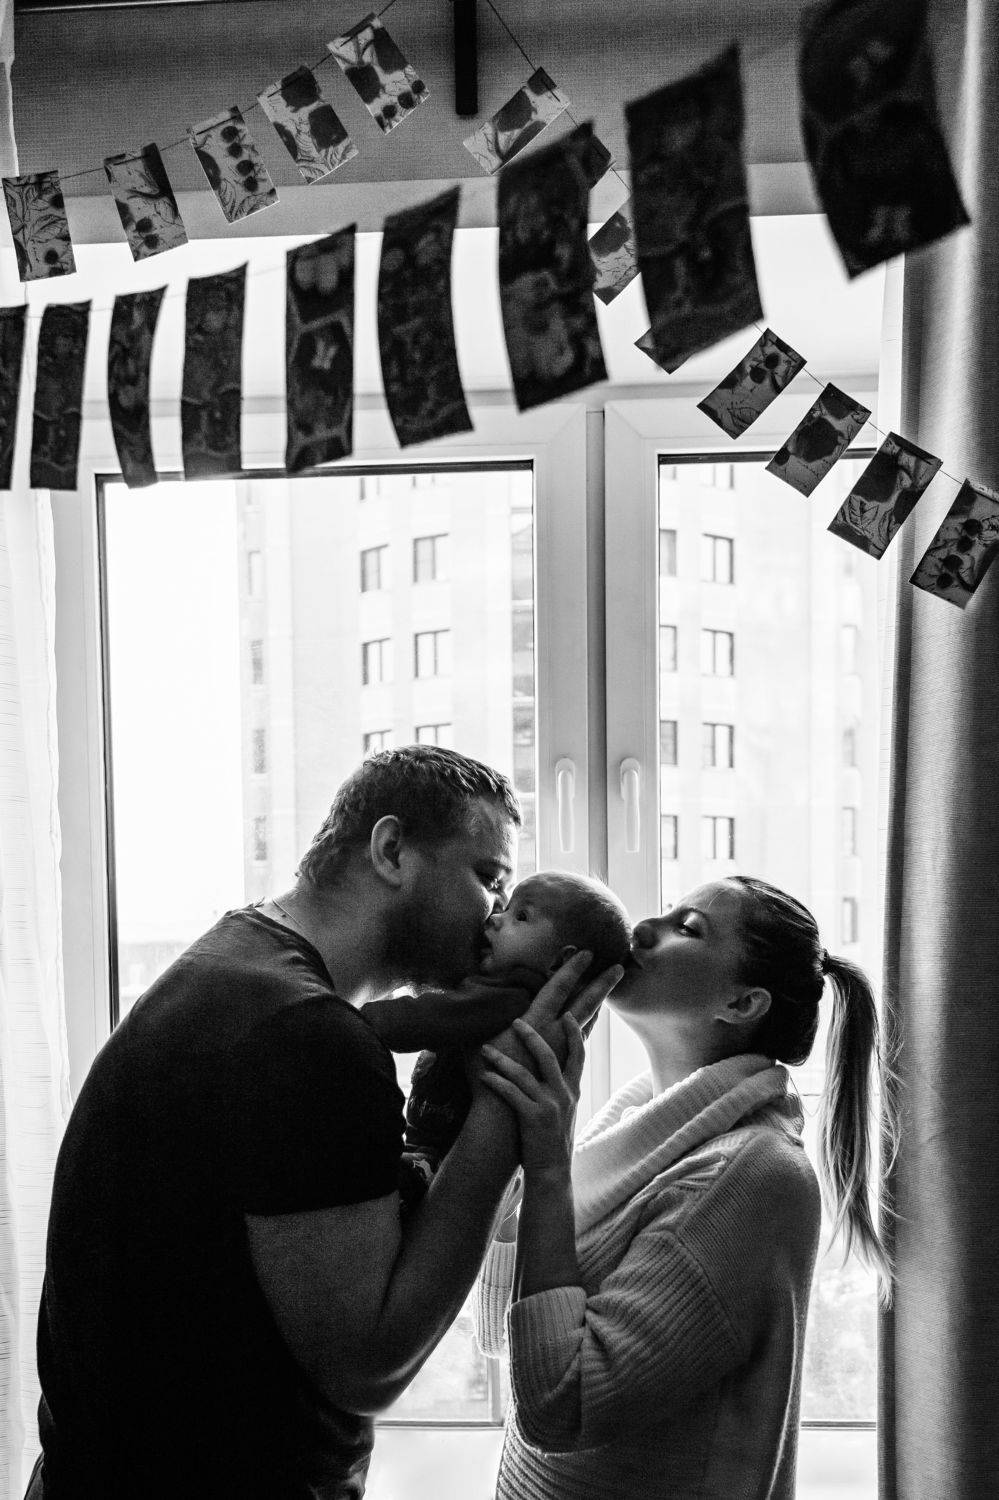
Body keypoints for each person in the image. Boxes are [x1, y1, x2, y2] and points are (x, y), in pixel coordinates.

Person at [28, 746, 620, 1500]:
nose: (495, 916)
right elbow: (369, 1364)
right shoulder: (306, 1035)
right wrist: (510, 1110)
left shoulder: (239, 957)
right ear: (391, 849)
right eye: (488, 878)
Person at [474, 875, 896, 1500]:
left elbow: (562, 1406)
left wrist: (548, 1166)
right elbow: (501, 1338)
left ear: (743, 1003)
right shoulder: (637, 1124)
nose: (643, 929)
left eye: (688, 928)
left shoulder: (750, 1176)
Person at [363, 871, 632, 1182]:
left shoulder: (511, 999)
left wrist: (358, 1019)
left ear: (560, 961)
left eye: (521, 916)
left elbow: (425, 1019)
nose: (494, 918)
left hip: (442, 1161)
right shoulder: (505, 992)